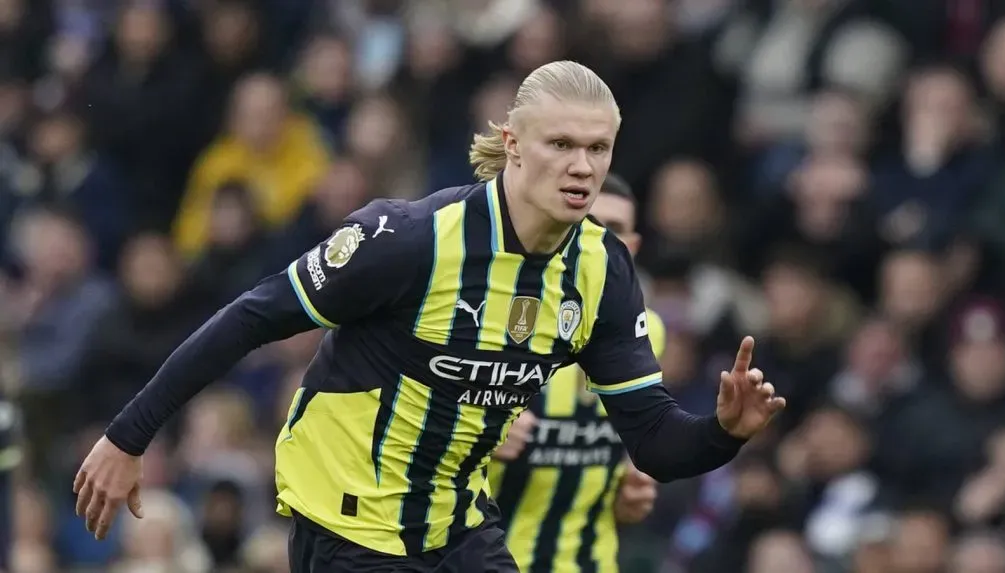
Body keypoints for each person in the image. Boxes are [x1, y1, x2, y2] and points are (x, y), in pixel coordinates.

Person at [73, 60, 785, 572]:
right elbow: (252, 316)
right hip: (350, 526)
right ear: (512, 144)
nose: (581, 166)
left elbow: (656, 440)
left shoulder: (600, 268)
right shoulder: (413, 238)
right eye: (560, 144)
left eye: (597, 148)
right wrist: (127, 436)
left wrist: (724, 431)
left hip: (455, 525)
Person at [487, 173, 664, 573]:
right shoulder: (496, 326)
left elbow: (625, 459)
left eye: (614, 231)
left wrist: (622, 497)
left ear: (632, 249)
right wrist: (474, 436)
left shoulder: (649, 332)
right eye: (587, 223)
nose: (599, 241)